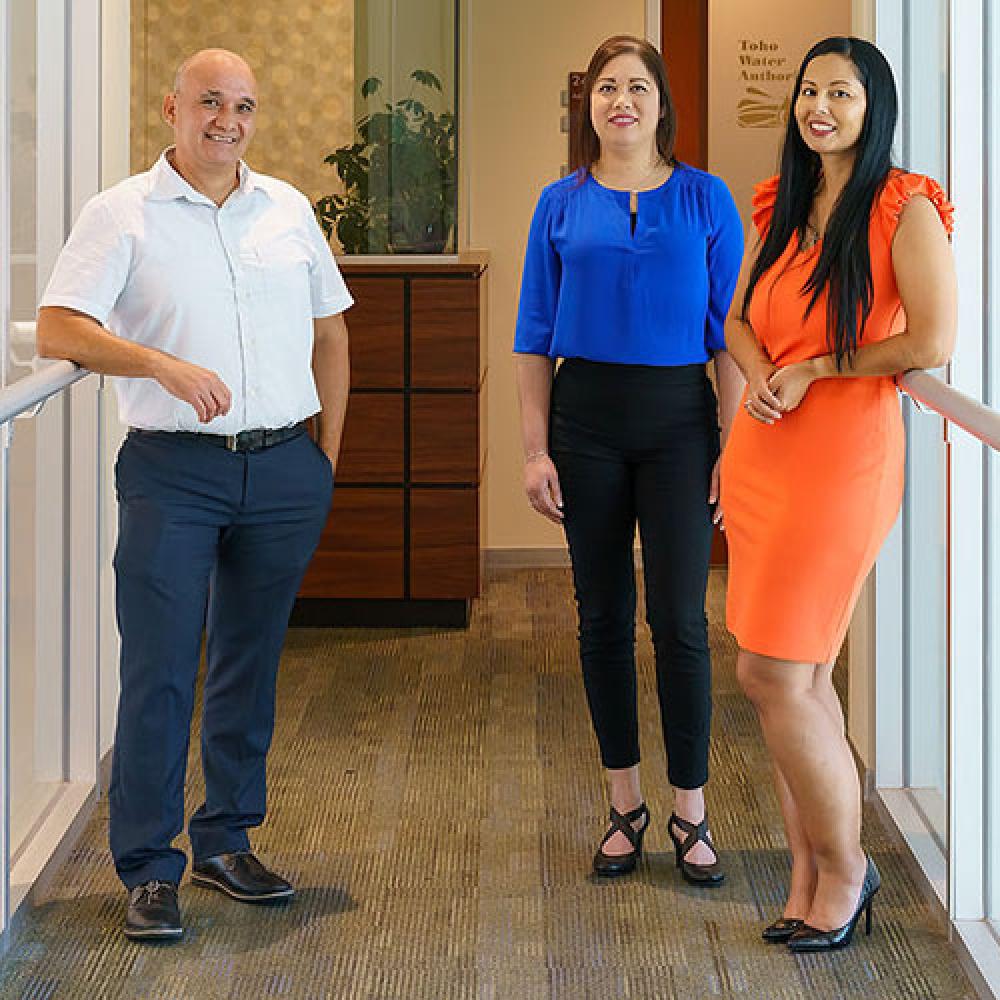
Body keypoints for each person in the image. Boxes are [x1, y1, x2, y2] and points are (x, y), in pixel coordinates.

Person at [36, 48, 352, 941]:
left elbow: (332, 334)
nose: (227, 120)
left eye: (244, 106)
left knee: (249, 665)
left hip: (285, 469)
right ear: (171, 108)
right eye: (210, 102)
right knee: (161, 670)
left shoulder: (287, 209)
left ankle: (226, 838)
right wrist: (161, 365)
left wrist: (322, 460)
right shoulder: (122, 213)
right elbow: (61, 324)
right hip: (173, 472)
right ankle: (146, 866)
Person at [722, 36, 956, 951]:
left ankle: (849, 875)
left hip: (841, 461)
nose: (820, 107)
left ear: (875, 107)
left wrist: (816, 367)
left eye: (842, 94)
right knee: (800, 682)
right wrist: (766, 375)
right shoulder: (783, 199)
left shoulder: (905, 204)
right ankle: (809, 874)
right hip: (765, 453)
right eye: (809, 91)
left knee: (771, 673)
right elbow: (739, 318)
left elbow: (932, 341)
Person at [514, 34, 743, 884]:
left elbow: (730, 338)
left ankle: (692, 809)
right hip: (587, 423)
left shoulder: (706, 198)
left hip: (683, 422)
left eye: (637, 87)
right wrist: (535, 451)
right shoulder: (559, 204)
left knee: (680, 620)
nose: (621, 101)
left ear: (660, 104)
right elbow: (534, 338)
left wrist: (731, 443)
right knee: (602, 616)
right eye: (606, 88)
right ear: (589, 105)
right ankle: (624, 803)